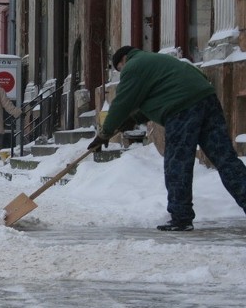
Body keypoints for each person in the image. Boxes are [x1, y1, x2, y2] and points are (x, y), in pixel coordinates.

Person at [88, 46, 246, 231]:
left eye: (119, 68)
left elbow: (122, 103)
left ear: (124, 59)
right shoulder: (159, 61)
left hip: (181, 110)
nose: (122, 72)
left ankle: (181, 218)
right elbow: (159, 93)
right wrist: (134, 119)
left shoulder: (133, 66)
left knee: (177, 164)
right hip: (207, 99)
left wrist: (104, 134)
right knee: (226, 159)